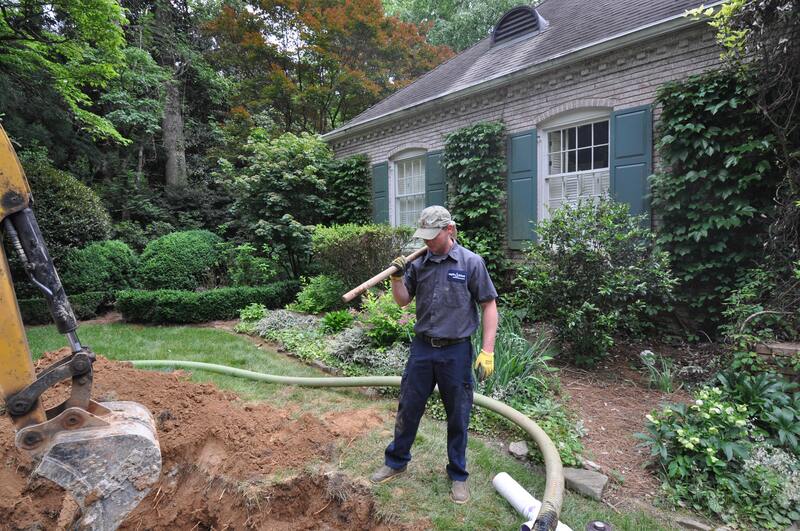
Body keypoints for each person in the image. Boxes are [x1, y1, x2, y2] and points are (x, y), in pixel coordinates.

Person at [370, 205, 499, 504]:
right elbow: (403, 302)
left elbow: (489, 305)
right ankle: (396, 461)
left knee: (458, 414)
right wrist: (397, 279)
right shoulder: (419, 263)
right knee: (409, 406)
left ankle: (457, 474)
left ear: (449, 230)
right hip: (423, 348)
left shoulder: (471, 263)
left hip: (456, 351)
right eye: (424, 235)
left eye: (433, 235)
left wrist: (487, 350)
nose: (427, 241)